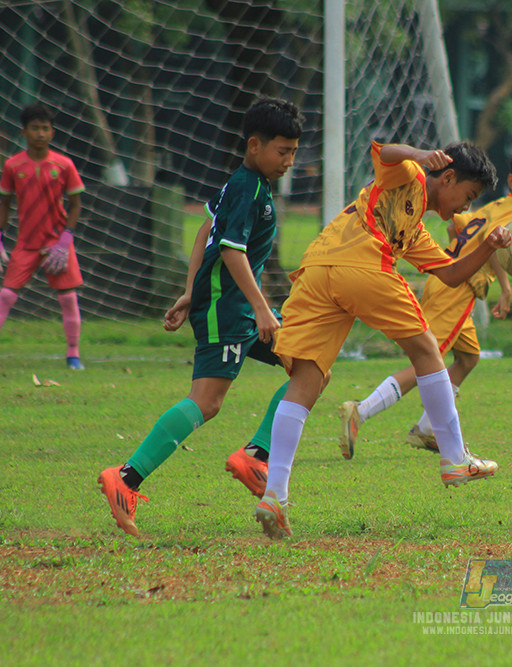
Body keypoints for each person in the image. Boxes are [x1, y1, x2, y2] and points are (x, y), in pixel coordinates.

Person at [254, 140, 511, 540]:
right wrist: (420, 155)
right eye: (469, 195)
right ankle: (455, 458)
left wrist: (489, 246)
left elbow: (452, 274)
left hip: (317, 269)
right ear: (447, 177)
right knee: (428, 350)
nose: (466, 206)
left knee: (306, 380)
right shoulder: (407, 175)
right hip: (360, 264)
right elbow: (384, 150)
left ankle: (274, 495)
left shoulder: (415, 233)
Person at [97, 97, 308, 537]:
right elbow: (229, 249)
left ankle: (256, 455)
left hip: (223, 306)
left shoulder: (247, 184)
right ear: (254, 145)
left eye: (293, 151)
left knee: (307, 366)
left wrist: (191, 290)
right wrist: (260, 307)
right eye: (282, 151)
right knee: (207, 401)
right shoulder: (248, 187)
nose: (289, 160)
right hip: (227, 313)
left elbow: (203, 230)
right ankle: (125, 478)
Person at [339, 148, 512, 455]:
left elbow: (459, 225)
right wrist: (505, 288)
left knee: (468, 358)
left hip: (448, 280)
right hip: (457, 287)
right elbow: (492, 241)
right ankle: (361, 410)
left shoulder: (499, 205)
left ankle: (428, 428)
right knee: (428, 362)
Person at [0, 103, 87, 369]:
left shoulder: (64, 165)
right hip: (26, 244)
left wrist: (66, 238)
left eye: (45, 129)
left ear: (52, 132)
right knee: (5, 296)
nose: (41, 133)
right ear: (24, 132)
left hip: (57, 243)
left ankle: (73, 355)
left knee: (68, 298)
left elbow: (76, 204)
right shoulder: (13, 165)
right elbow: (4, 203)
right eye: (35, 128)